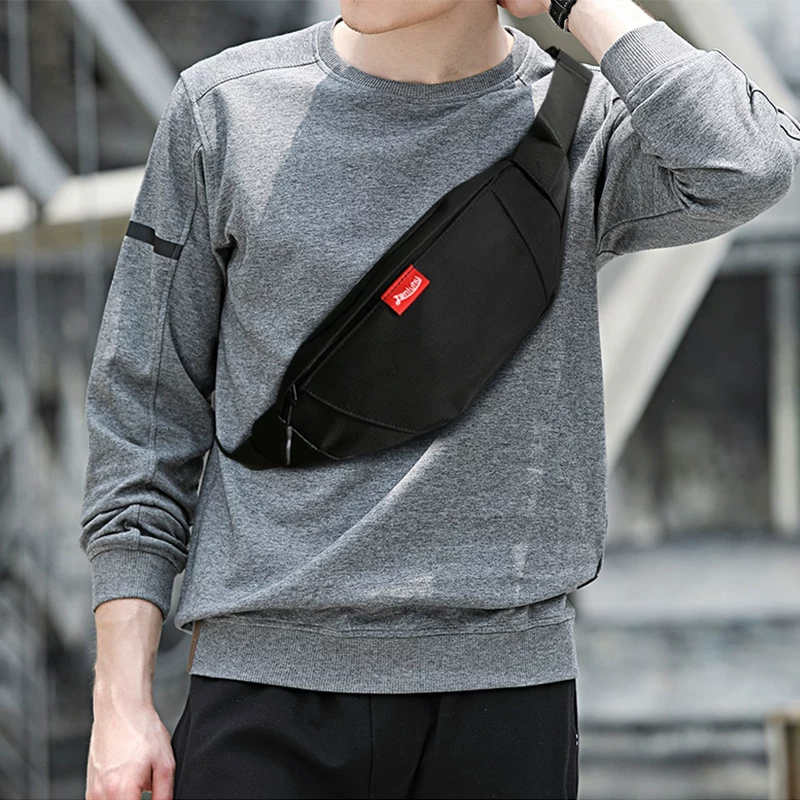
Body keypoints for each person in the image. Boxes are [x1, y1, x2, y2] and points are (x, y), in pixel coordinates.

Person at [80, 0, 800, 798]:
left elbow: (749, 161)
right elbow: (145, 414)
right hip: (267, 691)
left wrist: (580, 4)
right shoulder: (225, 111)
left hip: (505, 698)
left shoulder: (577, 126)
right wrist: (120, 702)